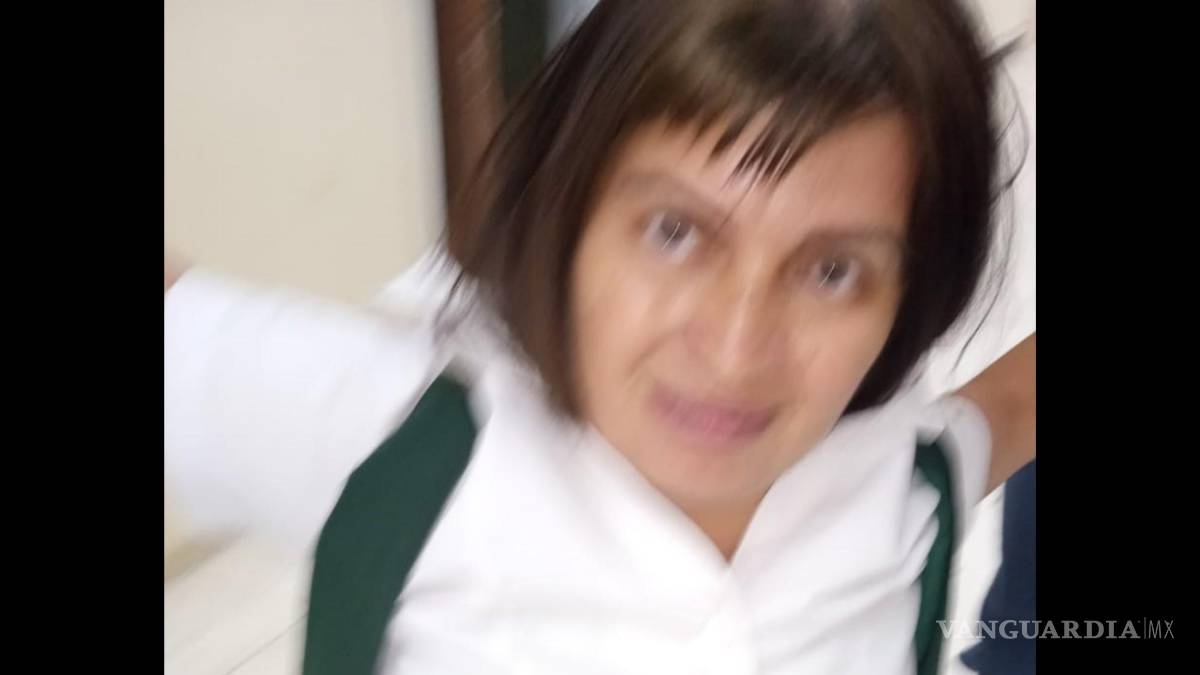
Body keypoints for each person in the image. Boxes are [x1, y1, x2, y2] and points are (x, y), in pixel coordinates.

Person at [164, 1, 1035, 673]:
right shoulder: (400, 434)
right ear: (568, 209)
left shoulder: (906, 473)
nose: (735, 352)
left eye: (832, 271)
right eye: (674, 232)